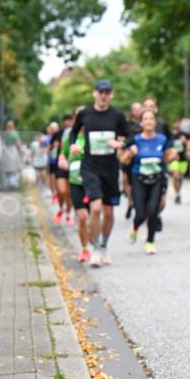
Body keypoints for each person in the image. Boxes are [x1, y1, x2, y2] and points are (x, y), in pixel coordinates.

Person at [69, 79, 129, 267]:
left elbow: (130, 135)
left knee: (109, 213)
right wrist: (72, 145)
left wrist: (120, 144)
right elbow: (73, 132)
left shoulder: (117, 116)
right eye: (100, 92)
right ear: (94, 93)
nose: (104, 95)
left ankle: (103, 246)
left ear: (111, 95)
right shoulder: (85, 114)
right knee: (95, 208)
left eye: (107, 92)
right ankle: (94, 248)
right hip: (90, 166)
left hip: (110, 168)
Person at [121, 110, 175, 255]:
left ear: (155, 122)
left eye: (151, 119)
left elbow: (168, 157)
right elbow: (123, 160)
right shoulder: (135, 139)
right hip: (138, 179)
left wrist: (173, 155)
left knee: (152, 212)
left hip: (156, 180)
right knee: (140, 214)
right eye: (146, 119)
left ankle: (150, 241)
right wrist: (130, 153)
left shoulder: (162, 139)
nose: (149, 121)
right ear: (142, 122)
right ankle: (134, 227)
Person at [58, 108, 93, 263]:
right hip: (75, 181)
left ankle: (93, 235)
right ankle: (85, 250)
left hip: (92, 182)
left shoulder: (93, 139)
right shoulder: (70, 139)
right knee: (82, 217)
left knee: (92, 217)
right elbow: (62, 155)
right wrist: (63, 161)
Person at [123, 101, 144, 220]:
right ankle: (131, 203)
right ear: (132, 111)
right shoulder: (126, 124)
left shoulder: (146, 122)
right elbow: (122, 138)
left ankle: (137, 205)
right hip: (130, 157)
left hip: (143, 158)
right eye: (134, 109)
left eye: (138, 109)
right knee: (128, 182)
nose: (137, 111)